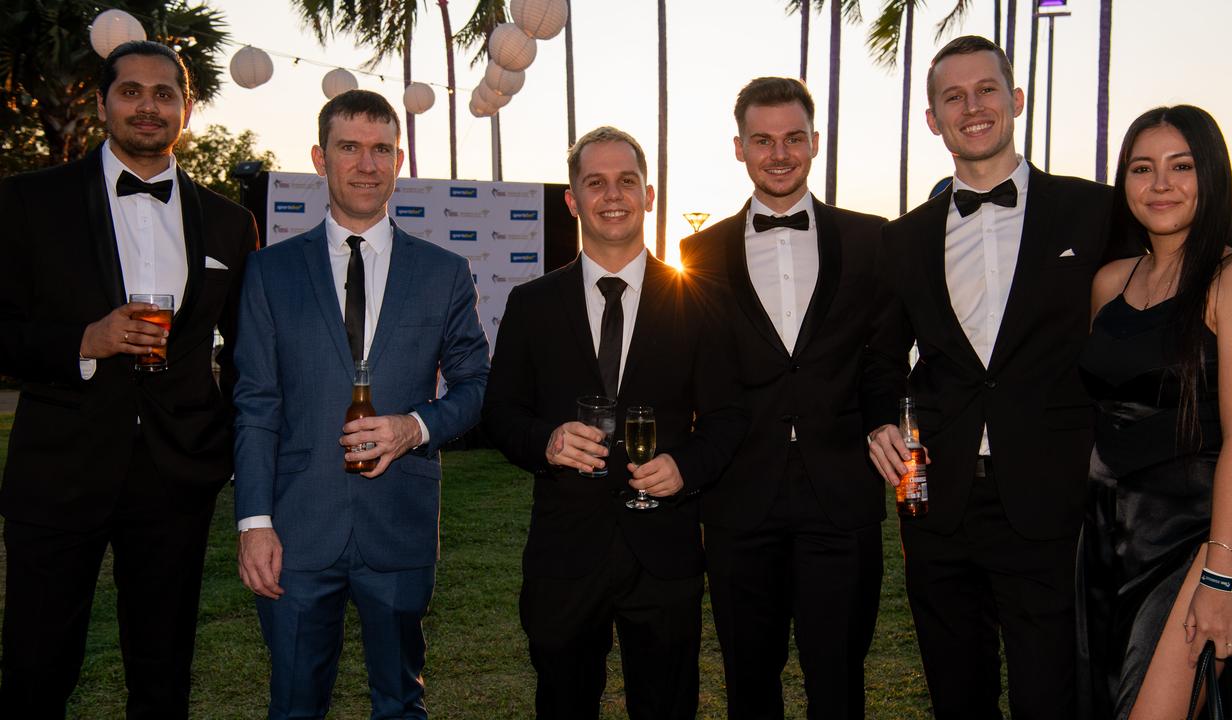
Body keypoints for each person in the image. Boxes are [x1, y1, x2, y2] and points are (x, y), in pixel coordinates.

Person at [864, 35, 1136, 719]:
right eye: (952, 97)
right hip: (938, 506)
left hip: (1055, 498)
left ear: (1016, 100)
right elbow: (878, 357)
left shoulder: (1096, 212)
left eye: (986, 89)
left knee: (1053, 694)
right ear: (933, 119)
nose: (972, 107)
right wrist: (876, 421)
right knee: (959, 695)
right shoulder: (902, 240)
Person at [0, 40, 259, 717]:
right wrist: (84, 341)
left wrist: (227, 439)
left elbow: (245, 354)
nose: (148, 105)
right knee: (35, 667)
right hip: (59, 470)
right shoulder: (28, 203)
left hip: (177, 476)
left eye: (164, 93)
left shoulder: (231, 223)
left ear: (187, 108)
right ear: (102, 103)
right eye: (131, 91)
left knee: (163, 668)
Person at [233, 89, 489, 718]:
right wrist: (254, 522)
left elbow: (477, 386)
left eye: (381, 150)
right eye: (350, 147)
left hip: (398, 523)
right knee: (294, 704)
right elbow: (256, 404)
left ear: (398, 160)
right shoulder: (269, 272)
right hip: (296, 527)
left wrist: (415, 426)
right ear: (321, 158)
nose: (367, 164)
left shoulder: (443, 272)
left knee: (401, 703)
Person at [482, 126, 746, 719]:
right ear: (573, 200)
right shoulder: (532, 304)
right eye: (595, 182)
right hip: (564, 553)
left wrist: (686, 467)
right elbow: (499, 413)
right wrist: (546, 441)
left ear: (648, 195)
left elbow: (729, 417)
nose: (613, 195)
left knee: (667, 707)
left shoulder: (696, 299)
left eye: (627, 181)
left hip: (665, 554)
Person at [678, 77, 888, 718]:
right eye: (762, 140)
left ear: (815, 143)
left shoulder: (870, 239)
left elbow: (884, 357)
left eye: (793, 138)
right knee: (749, 682)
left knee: (840, 682)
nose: (779, 153)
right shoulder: (699, 253)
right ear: (739, 148)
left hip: (842, 496)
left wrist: (884, 421)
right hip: (740, 500)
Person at [1076, 105, 1232, 719]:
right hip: (1105, 541)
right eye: (1142, 168)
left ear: (1211, 175)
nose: (1160, 183)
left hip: (1194, 540)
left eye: (1181, 166)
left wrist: (1222, 577)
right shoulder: (1110, 282)